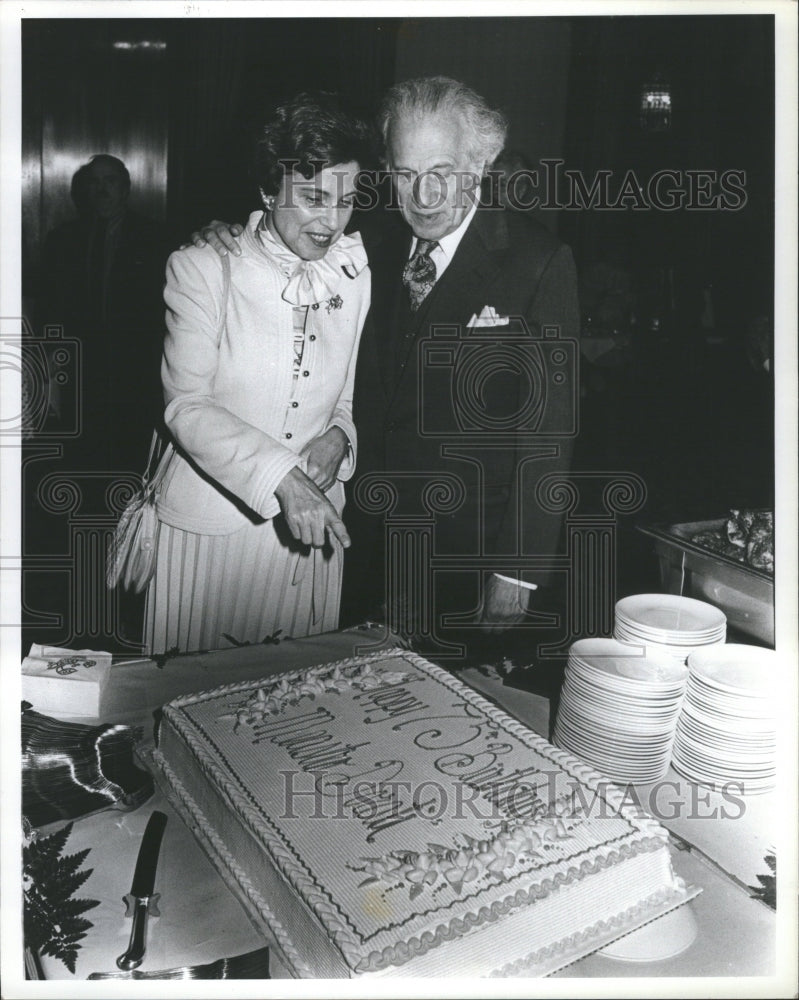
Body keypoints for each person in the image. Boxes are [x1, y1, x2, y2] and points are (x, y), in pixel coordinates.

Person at [193, 76, 580, 654]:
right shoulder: (364, 241)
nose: (422, 196)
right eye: (404, 173)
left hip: (465, 553)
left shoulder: (538, 262)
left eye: (441, 173)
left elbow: (550, 431)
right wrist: (227, 235)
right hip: (358, 544)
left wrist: (518, 568)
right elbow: (285, 239)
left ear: (479, 165)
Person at [143, 92, 377, 656]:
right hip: (212, 529)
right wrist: (282, 478)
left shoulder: (352, 273)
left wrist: (340, 438)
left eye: (347, 200)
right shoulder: (203, 266)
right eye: (315, 197)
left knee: (286, 721)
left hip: (311, 533)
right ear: (270, 189)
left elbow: (344, 397)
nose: (332, 220)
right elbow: (185, 406)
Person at [39, 154, 170, 477]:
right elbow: (51, 303)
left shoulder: (155, 238)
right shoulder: (62, 241)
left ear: (125, 188)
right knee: (84, 451)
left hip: (137, 366)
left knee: (132, 453)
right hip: (81, 366)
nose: (101, 190)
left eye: (109, 181)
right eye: (94, 183)